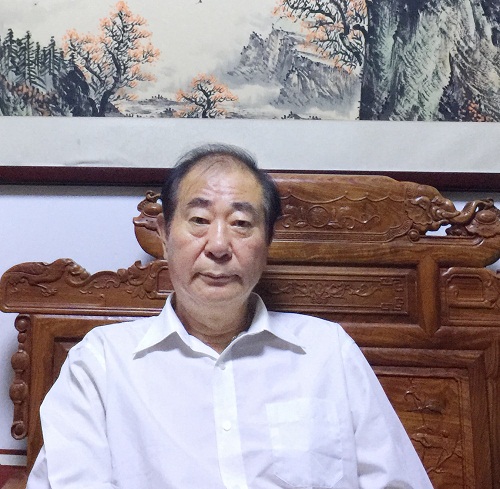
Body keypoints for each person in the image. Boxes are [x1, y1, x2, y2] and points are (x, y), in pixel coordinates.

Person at [27, 143, 433, 488]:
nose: (218, 246)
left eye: (241, 223)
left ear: (267, 242)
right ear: (164, 236)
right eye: (199, 221)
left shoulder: (328, 352)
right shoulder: (101, 363)